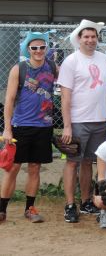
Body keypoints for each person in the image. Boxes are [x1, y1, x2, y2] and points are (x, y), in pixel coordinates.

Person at [58, 19, 106, 223]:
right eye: (86, 37)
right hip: (78, 121)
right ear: (79, 39)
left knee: (89, 162)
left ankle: (86, 201)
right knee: (73, 162)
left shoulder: (103, 59)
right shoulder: (71, 61)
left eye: (93, 37)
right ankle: (70, 204)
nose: (90, 40)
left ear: (97, 39)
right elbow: (65, 96)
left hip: (100, 119)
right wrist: (67, 125)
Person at [0, 31, 57, 224]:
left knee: (34, 167)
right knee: (13, 168)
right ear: (28, 49)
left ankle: (29, 208)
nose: (39, 51)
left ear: (46, 48)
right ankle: (2, 209)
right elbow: (8, 100)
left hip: (44, 126)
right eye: (35, 48)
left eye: (42, 47)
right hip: (21, 125)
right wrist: (7, 128)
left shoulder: (52, 67)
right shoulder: (19, 69)